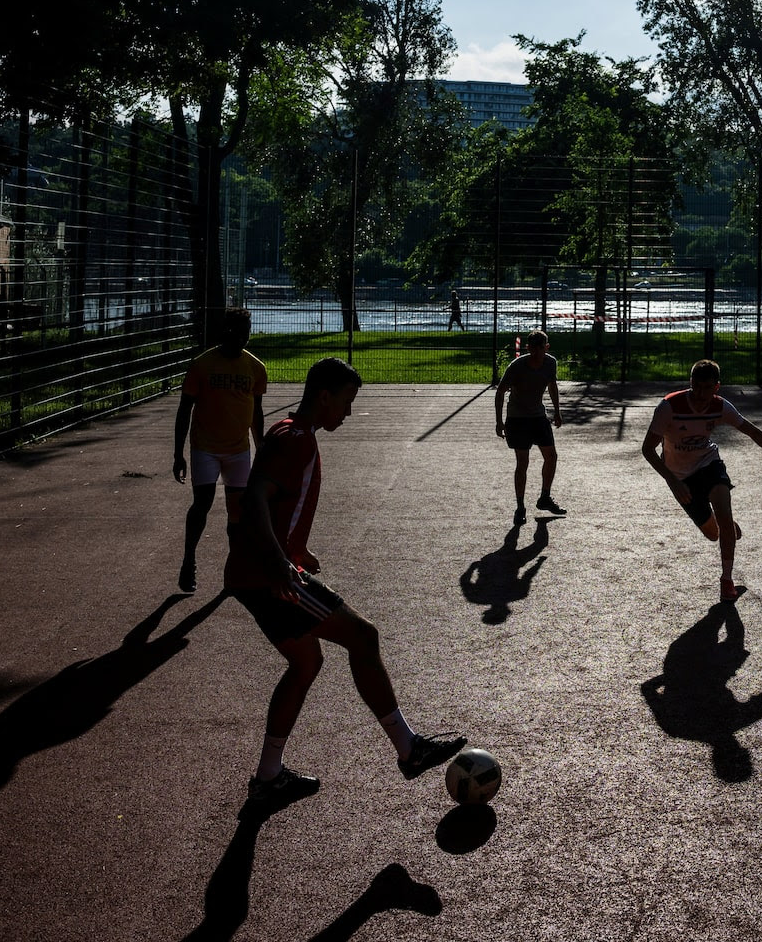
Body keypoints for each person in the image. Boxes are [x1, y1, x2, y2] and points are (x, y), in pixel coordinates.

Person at [228, 357, 466, 809]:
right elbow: (255, 498)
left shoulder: (287, 431)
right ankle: (409, 749)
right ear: (324, 395)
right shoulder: (296, 440)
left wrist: (296, 548)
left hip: (253, 572)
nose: (349, 412)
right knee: (363, 635)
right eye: (347, 401)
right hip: (267, 575)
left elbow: (273, 501)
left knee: (305, 664)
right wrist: (282, 562)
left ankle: (268, 775)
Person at [643, 359, 762, 602]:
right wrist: (673, 482)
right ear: (690, 383)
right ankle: (724, 523)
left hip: (709, 464)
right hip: (678, 476)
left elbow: (753, 432)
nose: (701, 394)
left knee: (724, 518)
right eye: (697, 387)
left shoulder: (720, 406)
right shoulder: (669, 406)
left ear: (716, 387)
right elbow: (647, 449)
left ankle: (726, 580)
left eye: (707, 388)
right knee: (713, 534)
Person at [172, 307, 267, 594]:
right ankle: (189, 560)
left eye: (247, 334)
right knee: (202, 503)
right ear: (226, 332)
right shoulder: (202, 364)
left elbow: (256, 410)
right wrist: (179, 453)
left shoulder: (255, 367)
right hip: (206, 448)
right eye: (239, 333)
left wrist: (259, 445)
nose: (243, 339)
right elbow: (184, 409)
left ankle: (234, 569)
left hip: (238, 449)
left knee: (236, 513)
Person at [496, 330, 565, 520]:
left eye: (540, 349)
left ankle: (544, 497)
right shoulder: (517, 366)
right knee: (522, 462)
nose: (536, 353)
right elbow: (500, 392)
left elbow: (552, 385)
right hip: (517, 418)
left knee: (551, 456)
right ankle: (520, 507)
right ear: (528, 348)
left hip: (538, 416)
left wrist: (557, 411)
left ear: (546, 347)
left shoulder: (550, 363)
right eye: (533, 349)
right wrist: (499, 421)